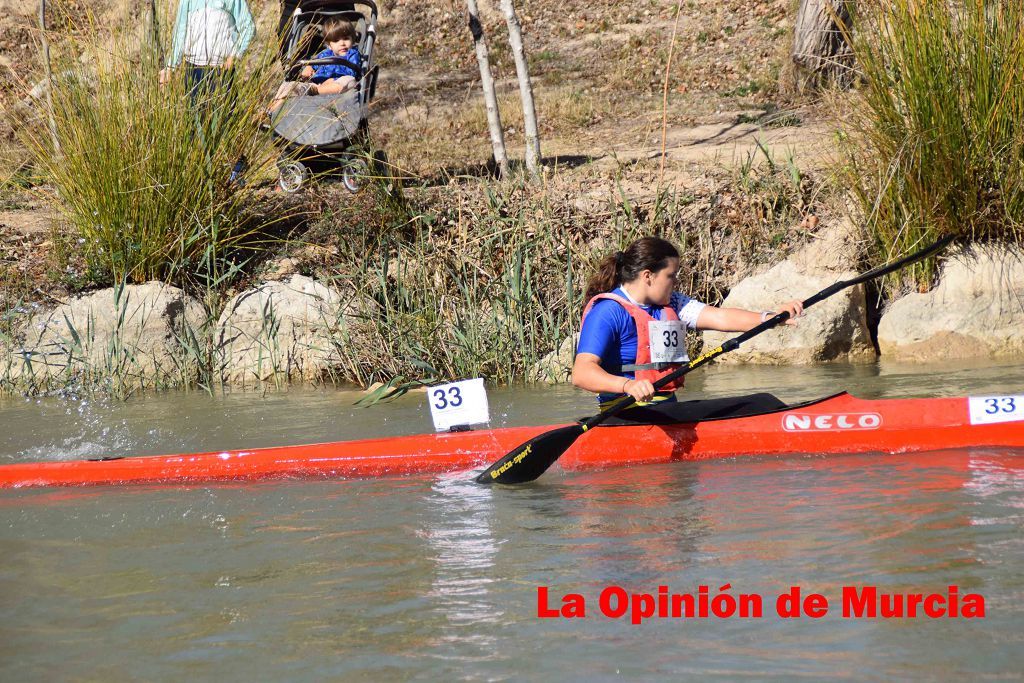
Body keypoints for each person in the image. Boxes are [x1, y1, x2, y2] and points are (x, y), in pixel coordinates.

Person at [573, 237, 803, 416]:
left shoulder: (671, 303)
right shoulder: (608, 311)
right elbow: (581, 373)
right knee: (760, 404)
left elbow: (721, 318)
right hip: (625, 413)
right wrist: (627, 385)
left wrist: (771, 318)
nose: (676, 283)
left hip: (667, 410)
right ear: (647, 276)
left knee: (761, 401)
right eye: (671, 276)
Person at [268, 19, 362, 114]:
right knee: (289, 85)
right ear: (329, 45)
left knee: (349, 81)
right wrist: (309, 68)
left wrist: (333, 80)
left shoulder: (352, 53)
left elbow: (352, 72)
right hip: (317, 85)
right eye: (336, 40)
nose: (342, 43)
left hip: (336, 84)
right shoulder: (325, 54)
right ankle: (271, 111)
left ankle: (315, 91)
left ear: (352, 40)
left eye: (346, 38)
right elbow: (314, 63)